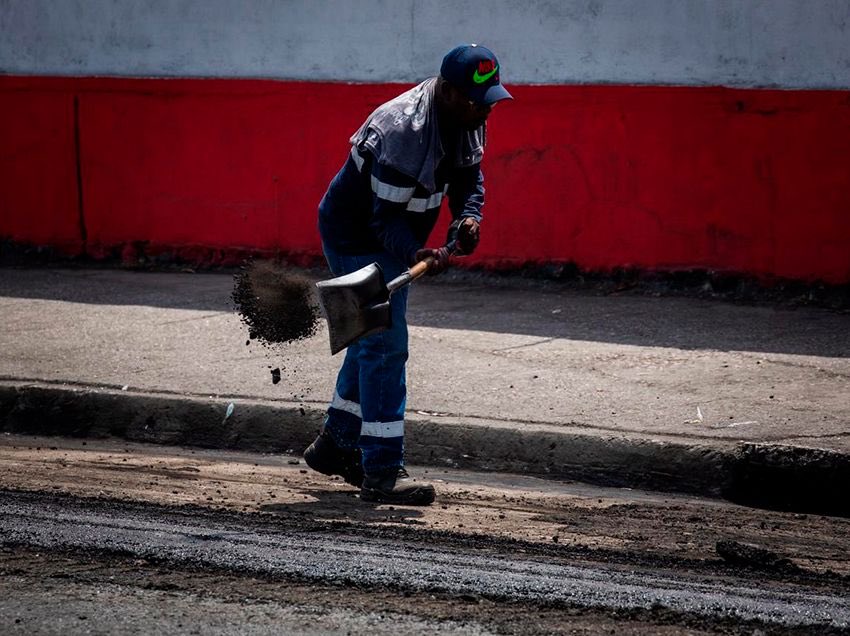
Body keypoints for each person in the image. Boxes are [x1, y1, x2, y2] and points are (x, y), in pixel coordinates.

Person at [304, 44, 512, 505]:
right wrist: (421, 251)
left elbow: (468, 178)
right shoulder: (402, 131)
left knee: (369, 333)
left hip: (395, 233)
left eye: (492, 100)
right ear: (452, 93)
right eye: (481, 101)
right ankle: (381, 472)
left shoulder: (470, 118)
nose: (488, 110)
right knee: (384, 345)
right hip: (358, 236)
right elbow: (384, 222)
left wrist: (467, 219)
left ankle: (335, 445)